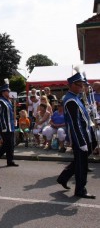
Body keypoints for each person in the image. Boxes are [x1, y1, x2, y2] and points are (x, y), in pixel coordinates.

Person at [56, 70, 96, 199]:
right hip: (79, 137)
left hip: (85, 134)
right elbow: (74, 124)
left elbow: (82, 118)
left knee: (80, 161)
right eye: (80, 85)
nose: (82, 87)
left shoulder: (76, 98)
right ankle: (80, 190)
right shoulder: (70, 100)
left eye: (82, 85)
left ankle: (64, 177)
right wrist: (81, 141)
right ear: (73, 84)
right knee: (82, 165)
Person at [0, 79, 19, 167]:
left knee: (11, 144)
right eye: (8, 91)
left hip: (10, 125)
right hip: (5, 126)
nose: (9, 92)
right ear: (3, 92)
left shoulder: (8, 100)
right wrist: (3, 126)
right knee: (6, 144)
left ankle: (10, 160)